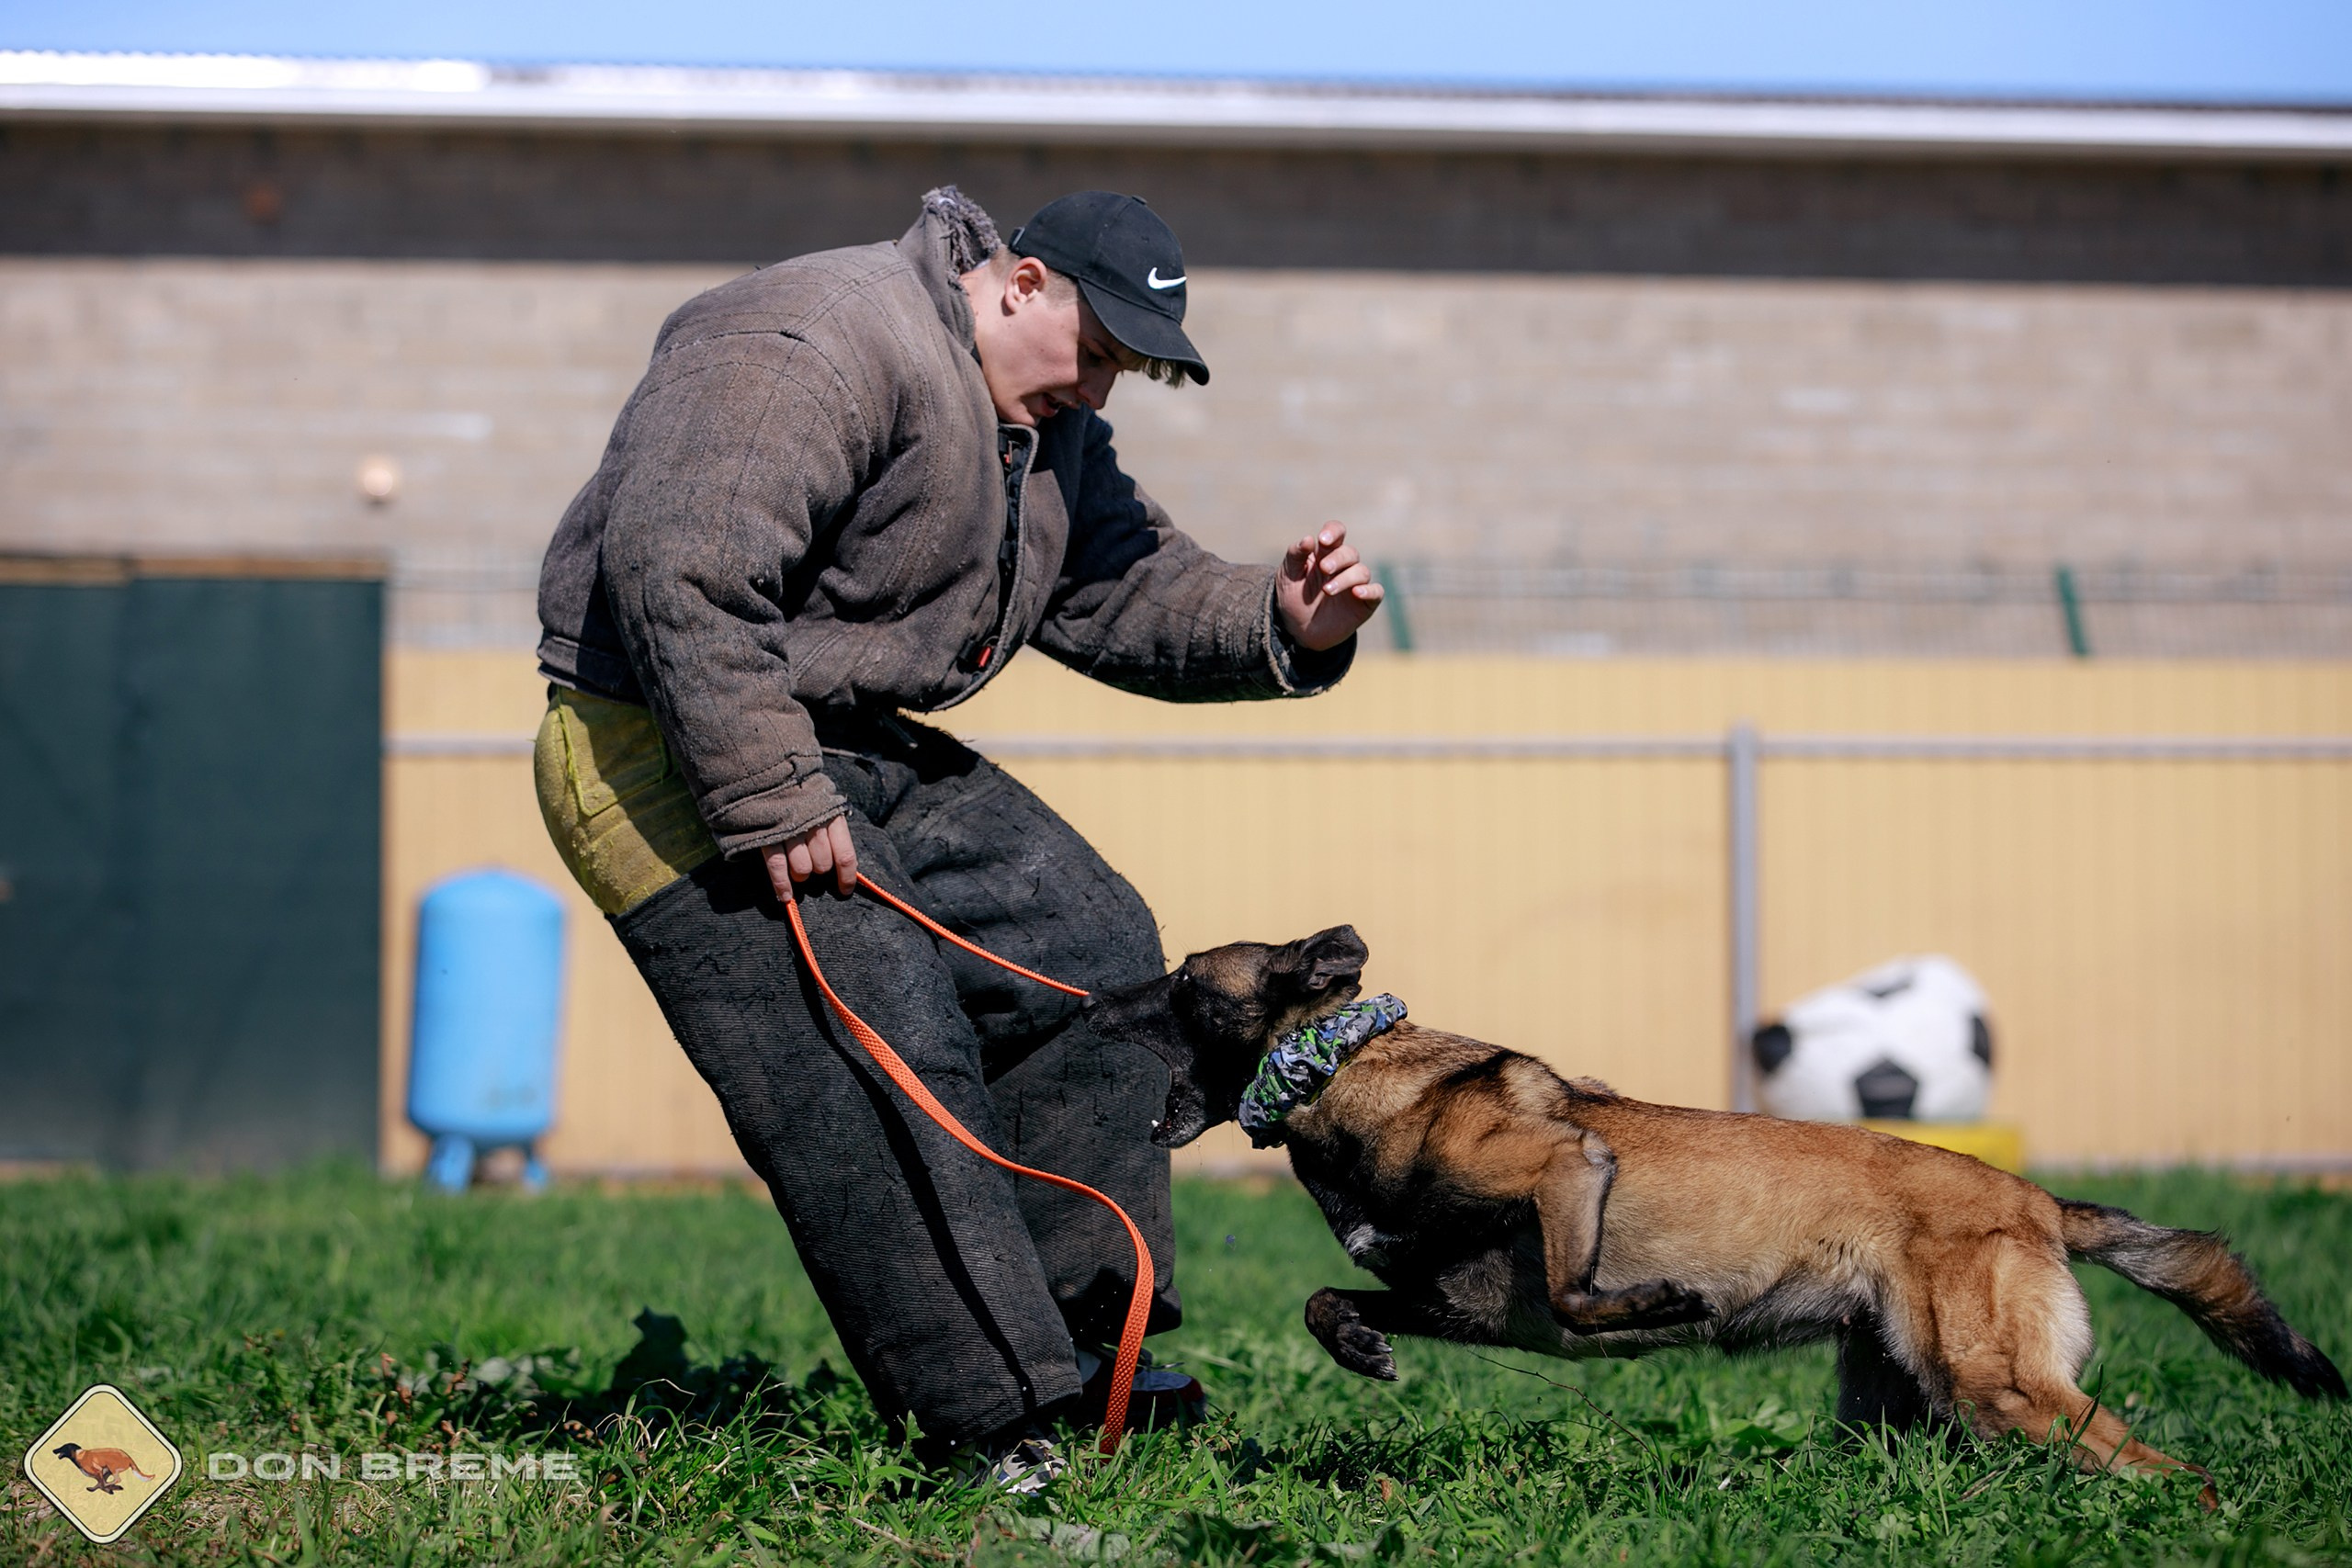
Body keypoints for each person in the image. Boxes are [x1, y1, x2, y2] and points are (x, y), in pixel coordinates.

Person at [531, 186, 1382, 1480]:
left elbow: (1118, 582)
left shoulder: (1036, 427)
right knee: (877, 1039)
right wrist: (767, 795)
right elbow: (680, 568)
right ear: (1022, 281)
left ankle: (1095, 1343)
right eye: (1095, 353)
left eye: (1125, 372)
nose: (1100, 392)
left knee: (1092, 945)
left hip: (851, 737)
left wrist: (1283, 620)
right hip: (666, 742)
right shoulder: (811, 339)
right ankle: (991, 1424)